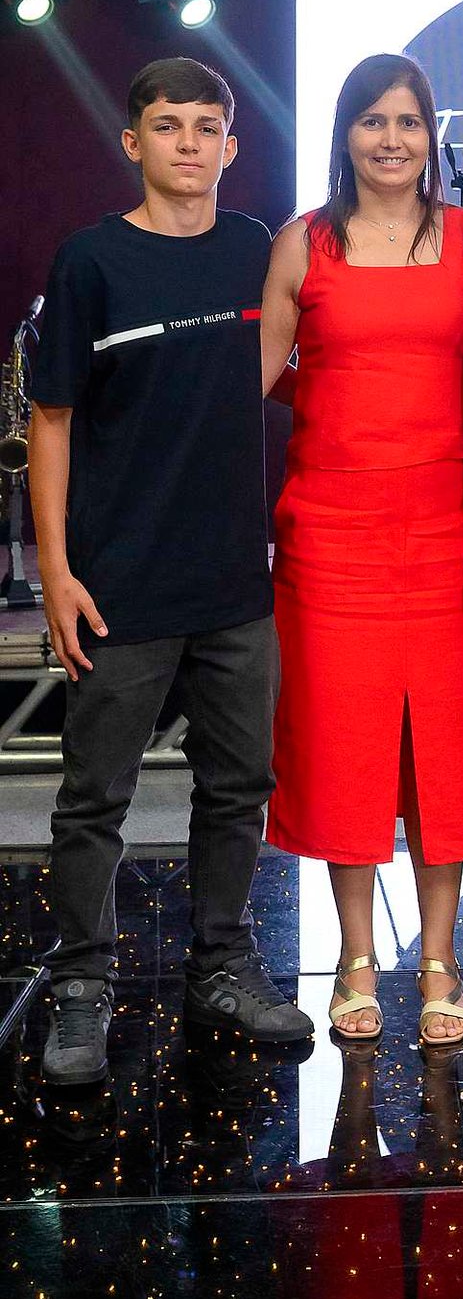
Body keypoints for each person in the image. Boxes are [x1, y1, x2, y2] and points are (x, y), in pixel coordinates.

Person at [28, 56, 314, 1084]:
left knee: (239, 787)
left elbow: (282, 369)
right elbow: (51, 420)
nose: (187, 143)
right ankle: (81, 984)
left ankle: (221, 964)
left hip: (235, 580)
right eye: (166, 125)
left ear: (231, 145)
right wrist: (56, 572)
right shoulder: (90, 261)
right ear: (133, 141)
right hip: (120, 584)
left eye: (205, 127)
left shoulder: (252, 249)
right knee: (92, 800)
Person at [260, 53, 463, 1047]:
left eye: (408, 121)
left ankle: (440, 957)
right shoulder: (300, 243)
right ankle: (356, 955)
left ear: (431, 135)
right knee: (341, 740)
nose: (390, 139)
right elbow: (251, 381)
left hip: (446, 528)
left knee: (446, 745)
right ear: (345, 134)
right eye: (371, 121)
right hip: (331, 528)